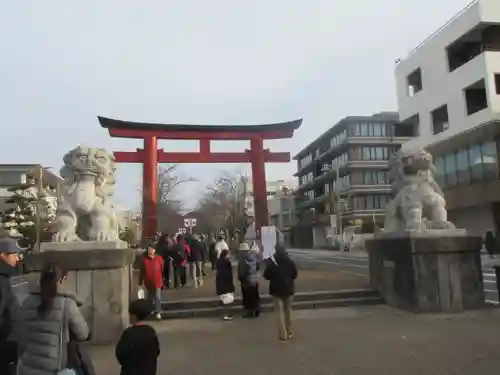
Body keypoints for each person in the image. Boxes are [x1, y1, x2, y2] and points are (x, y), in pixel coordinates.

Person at [19, 263, 92, 375]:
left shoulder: (26, 301)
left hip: (27, 368)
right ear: (61, 280)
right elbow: (83, 333)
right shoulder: (67, 304)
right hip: (54, 370)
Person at [0, 238, 27, 375]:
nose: (18, 259)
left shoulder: (8, 278)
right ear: (2, 256)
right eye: (14, 254)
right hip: (5, 348)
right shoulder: (2, 281)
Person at [263, 244, 298, 342]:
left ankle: (283, 334)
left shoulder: (272, 262)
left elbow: (266, 275)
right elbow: (294, 275)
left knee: (279, 312)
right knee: (288, 310)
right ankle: (289, 330)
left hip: (276, 290)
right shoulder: (290, 262)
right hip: (288, 289)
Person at [115, 299, 160, 375]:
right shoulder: (150, 332)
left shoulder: (129, 334)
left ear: (134, 316)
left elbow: (120, 353)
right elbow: (156, 350)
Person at [139, 245, 164, 320]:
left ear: (154, 250)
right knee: (150, 297)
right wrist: (140, 282)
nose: (150, 250)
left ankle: (158, 311)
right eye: (149, 249)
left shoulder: (159, 259)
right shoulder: (144, 260)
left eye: (151, 249)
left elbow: (162, 269)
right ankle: (151, 309)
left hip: (157, 280)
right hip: (148, 281)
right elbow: (142, 272)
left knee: (157, 296)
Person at [238, 242, 261, 318]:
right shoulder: (254, 257)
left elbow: (242, 272)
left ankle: (249, 312)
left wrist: (241, 279)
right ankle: (257, 309)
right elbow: (258, 267)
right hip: (255, 279)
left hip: (246, 281)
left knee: (247, 297)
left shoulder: (242, 260)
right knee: (255, 295)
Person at [215, 249, 235, 321]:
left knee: (224, 299)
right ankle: (226, 315)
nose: (229, 256)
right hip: (226, 283)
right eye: (228, 254)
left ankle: (224, 314)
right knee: (228, 301)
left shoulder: (218, 262)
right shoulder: (227, 263)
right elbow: (229, 275)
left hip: (220, 282)